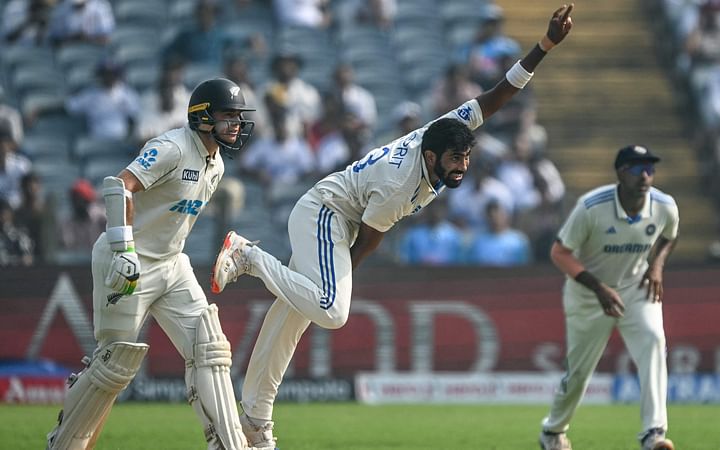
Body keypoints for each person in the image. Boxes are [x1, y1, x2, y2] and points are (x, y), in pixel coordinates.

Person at [210, 5, 575, 448]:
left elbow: (496, 97)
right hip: (325, 213)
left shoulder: (445, 132)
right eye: (455, 160)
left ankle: (255, 421)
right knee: (331, 309)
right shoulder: (400, 185)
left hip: (337, 218)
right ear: (430, 158)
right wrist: (341, 276)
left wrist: (544, 48)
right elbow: (369, 240)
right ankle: (249, 255)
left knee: (292, 316)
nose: (462, 168)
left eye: (466, 159)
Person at [46, 78, 261, 450]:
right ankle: (65, 445)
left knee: (209, 345)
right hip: (128, 259)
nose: (237, 125)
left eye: (239, 117)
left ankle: (230, 446)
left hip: (172, 263)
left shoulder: (217, 165)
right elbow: (121, 186)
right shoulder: (172, 147)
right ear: (203, 116)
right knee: (113, 367)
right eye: (229, 116)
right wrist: (124, 249)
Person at [538, 145, 679, 450]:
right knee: (579, 372)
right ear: (620, 173)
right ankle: (552, 432)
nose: (645, 175)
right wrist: (598, 287)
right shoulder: (591, 207)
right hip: (587, 294)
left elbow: (669, 235)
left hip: (635, 287)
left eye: (650, 169)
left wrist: (656, 265)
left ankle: (653, 433)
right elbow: (559, 253)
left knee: (654, 341)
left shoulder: (664, 205)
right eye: (636, 168)